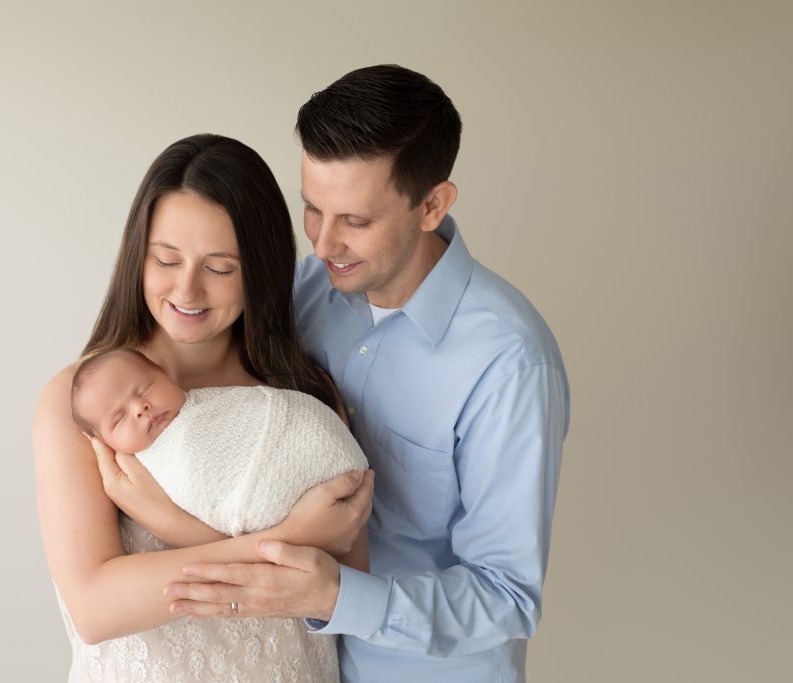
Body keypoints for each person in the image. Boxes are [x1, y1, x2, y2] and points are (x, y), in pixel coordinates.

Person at [163, 65, 570, 682]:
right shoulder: (306, 292)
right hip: (298, 664)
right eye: (312, 210)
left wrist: (334, 598)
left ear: (432, 204)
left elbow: (508, 597)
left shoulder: (510, 362)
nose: (324, 245)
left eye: (355, 221)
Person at [33, 134, 374, 682]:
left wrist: (172, 524)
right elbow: (95, 609)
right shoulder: (85, 404)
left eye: (219, 269)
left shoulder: (302, 398)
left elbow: (342, 599)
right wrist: (293, 541)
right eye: (166, 260)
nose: (187, 290)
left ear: (259, 271)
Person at [70, 346, 368, 537]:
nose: (140, 408)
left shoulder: (211, 405)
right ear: (105, 442)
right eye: (119, 418)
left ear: (166, 375)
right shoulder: (138, 471)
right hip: (267, 504)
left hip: (311, 442)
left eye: (146, 387)